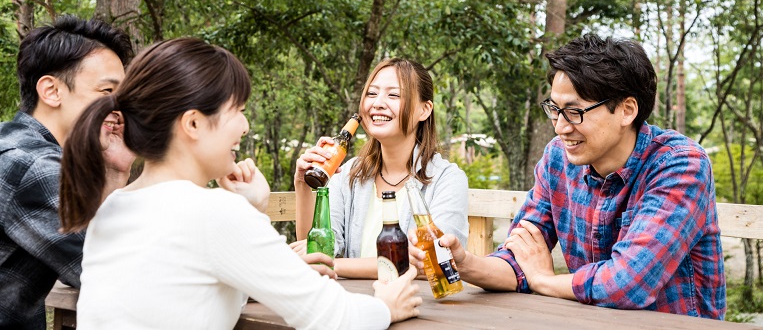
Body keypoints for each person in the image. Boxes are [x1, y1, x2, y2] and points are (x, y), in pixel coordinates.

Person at [59, 38, 421, 329]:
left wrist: (253, 210)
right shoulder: (213, 212)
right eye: (238, 111)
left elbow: (192, 287)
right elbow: (333, 317)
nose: (245, 126)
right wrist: (386, 306)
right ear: (194, 124)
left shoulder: (115, 206)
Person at [411, 34, 726, 319]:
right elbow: (521, 257)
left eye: (575, 112)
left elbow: (628, 284)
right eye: (554, 109)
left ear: (627, 110)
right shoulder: (558, 158)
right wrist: (464, 263)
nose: (560, 126)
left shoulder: (678, 165)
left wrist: (544, 281)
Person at [0, 16, 134, 329]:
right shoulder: (33, 167)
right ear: (51, 91)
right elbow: (114, 273)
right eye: (106, 91)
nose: (119, 108)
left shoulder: (13, 143)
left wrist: (115, 171)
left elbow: (83, 260)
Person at [293, 58, 469, 279]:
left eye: (393, 95)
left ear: (424, 110)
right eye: (372, 93)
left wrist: (334, 266)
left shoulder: (447, 179)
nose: (377, 103)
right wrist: (302, 183)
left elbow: (432, 259)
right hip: (353, 304)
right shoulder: (348, 174)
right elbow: (317, 251)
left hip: (418, 306)